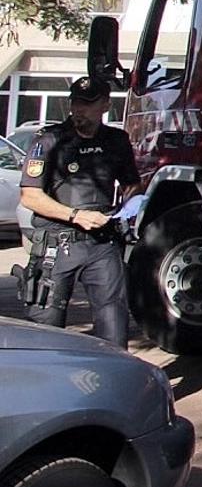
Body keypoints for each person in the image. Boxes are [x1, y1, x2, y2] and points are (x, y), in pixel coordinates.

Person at [18, 77, 140, 349]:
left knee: (114, 332)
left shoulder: (116, 140)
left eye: (87, 103)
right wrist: (76, 215)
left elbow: (131, 183)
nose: (79, 109)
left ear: (105, 105)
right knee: (44, 332)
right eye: (75, 102)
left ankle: (112, 387)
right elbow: (30, 196)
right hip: (56, 246)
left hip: (101, 244)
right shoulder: (49, 141)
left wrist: (123, 211)